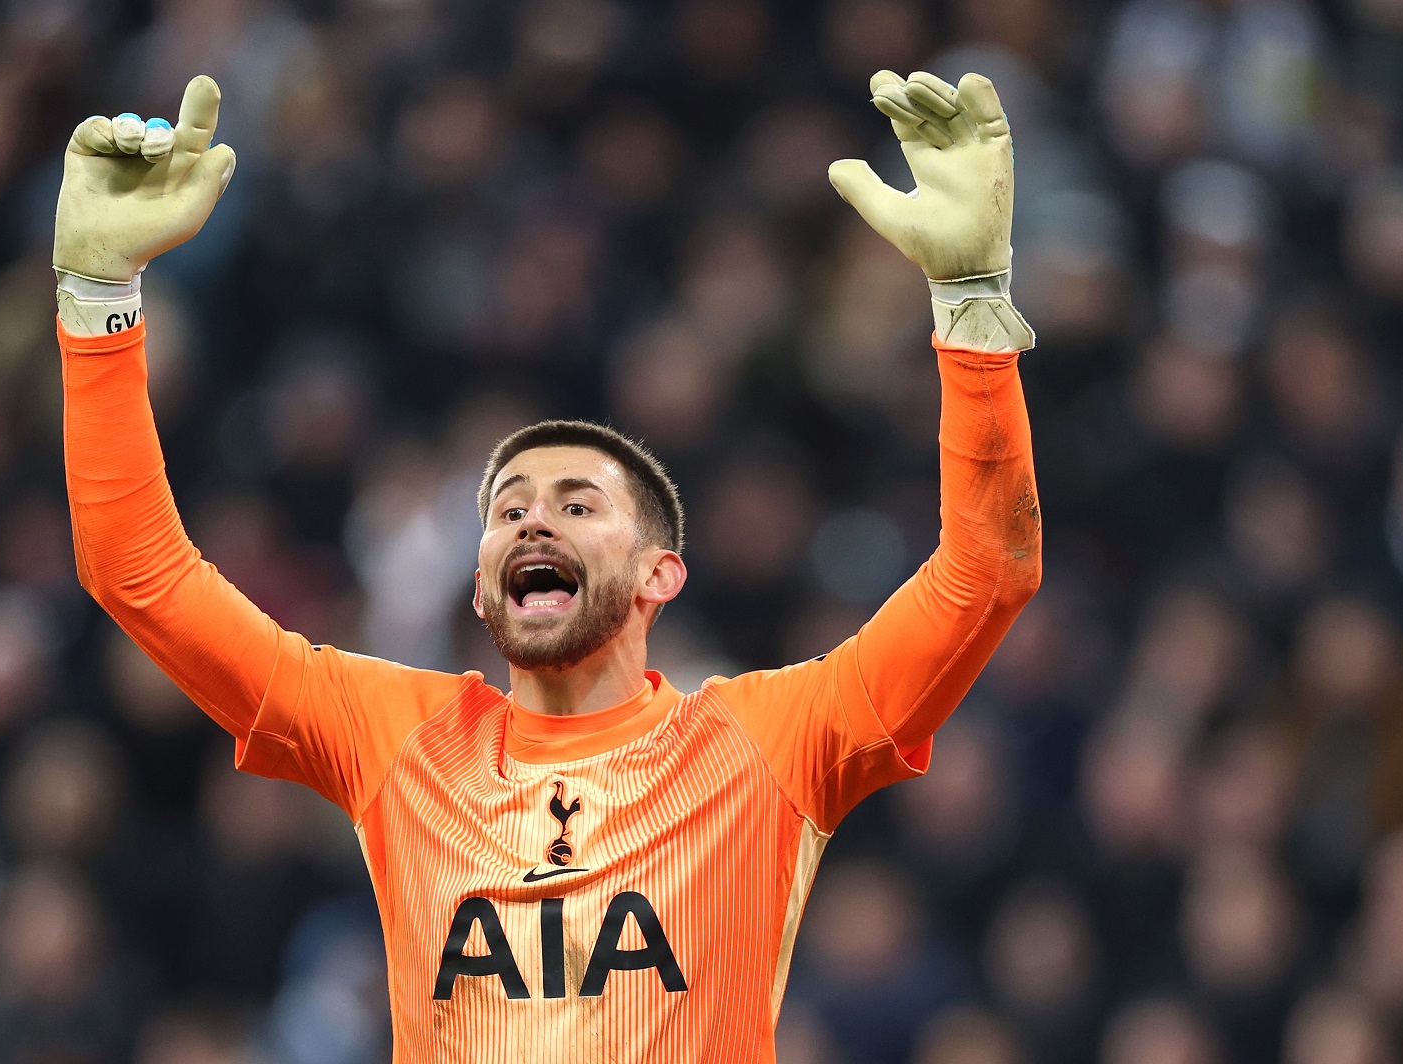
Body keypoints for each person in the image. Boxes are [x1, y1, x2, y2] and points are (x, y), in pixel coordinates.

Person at [52, 70, 1040, 1062]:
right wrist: (99, 300)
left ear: (659, 574)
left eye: (576, 503)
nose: (531, 521)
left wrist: (969, 306)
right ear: (482, 586)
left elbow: (985, 571)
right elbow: (137, 572)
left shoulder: (764, 749)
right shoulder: (396, 741)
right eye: (507, 507)